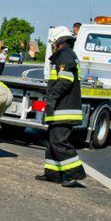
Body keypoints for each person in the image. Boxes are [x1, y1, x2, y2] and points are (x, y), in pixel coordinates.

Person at [35, 26, 86, 187]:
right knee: (52, 142)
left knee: (59, 142)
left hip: (64, 108)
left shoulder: (66, 56)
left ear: (57, 42)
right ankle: (53, 174)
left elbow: (64, 81)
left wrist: (51, 99)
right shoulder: (64, 56)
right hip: (59, 109)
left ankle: (74, 174)